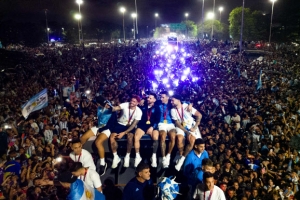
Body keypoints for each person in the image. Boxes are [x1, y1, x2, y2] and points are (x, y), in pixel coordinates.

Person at [170, 94, 202, 171]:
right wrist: (186, 132)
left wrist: (195, 127)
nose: (171, 102)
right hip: (181, 127)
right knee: (179, 138)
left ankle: (182, 159)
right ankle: (180, 155)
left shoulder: (186, 106)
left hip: (190, 126)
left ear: (178, 100)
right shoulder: (173, 110)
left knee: (193, 141)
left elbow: (199, 115)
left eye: (173, 100)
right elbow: (177, 123)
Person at [110, 95, 143, 169]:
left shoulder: (139, 112)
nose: (131, 102)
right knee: (112, 137)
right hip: (120, 124)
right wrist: (111, 108)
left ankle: (127, 156)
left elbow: (133, 125)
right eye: (131, 100)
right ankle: (115, 157)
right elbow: (116, 108)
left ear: (137, 103)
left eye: (134, 101)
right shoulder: (125, 104)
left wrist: (124, 133)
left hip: (130, 126)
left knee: (130, 137)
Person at [134, 93, 161, 167]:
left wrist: (152, 127)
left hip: (152, 125)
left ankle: (154, 156)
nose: (148, 99)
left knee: (155, 137)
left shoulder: (157, 107)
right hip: (143, 125)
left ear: (154, 100)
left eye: (150, 98)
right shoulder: (142, 106)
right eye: (148, 97)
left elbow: (157, 119)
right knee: (136, 136)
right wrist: (140, 101)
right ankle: (137, 156)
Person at [157, 91, 176, 168]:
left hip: (170, 123)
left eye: (163, 97)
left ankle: (168, 155)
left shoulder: (171, 104)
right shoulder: (158, 103)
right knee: (162, 137)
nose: (161, 99)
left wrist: (189, 104)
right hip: (161, 123)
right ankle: (164, 158)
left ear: (168, 97)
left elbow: (183, 101)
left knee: (173, 137)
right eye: (160, 97)